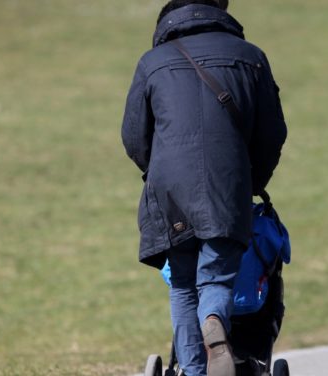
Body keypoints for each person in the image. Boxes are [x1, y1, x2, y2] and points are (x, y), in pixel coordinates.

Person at [121, 1, 287, 375]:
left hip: (170, 188)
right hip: (228, 183)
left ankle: (194, 371)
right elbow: (273, 133)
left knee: (182, 282)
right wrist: (251, 181)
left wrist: (158, 172)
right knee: (216, 275)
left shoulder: (152, 61)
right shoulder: (251, 57)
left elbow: (133, 137)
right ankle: (214, 318)